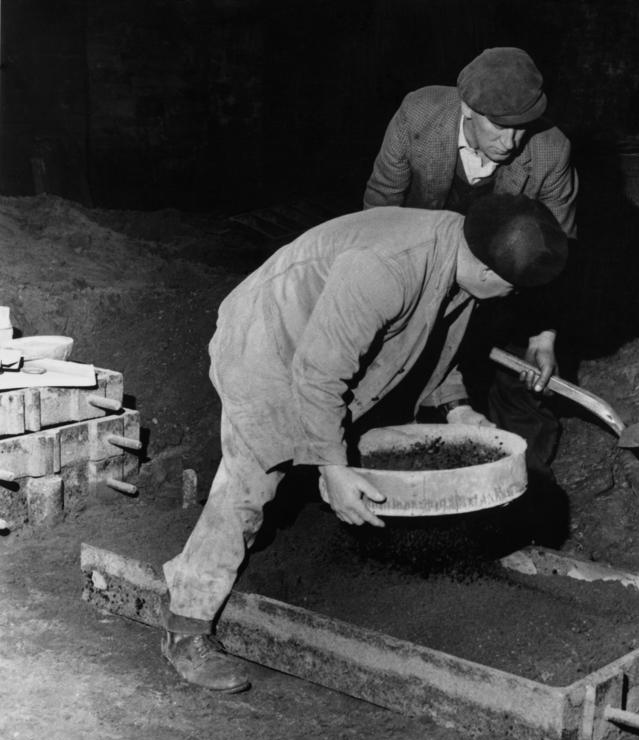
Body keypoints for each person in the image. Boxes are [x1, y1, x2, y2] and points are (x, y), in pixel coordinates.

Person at [160, 195, 567, 692]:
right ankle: (186, 626)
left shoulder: (460, 254)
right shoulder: (388, 268)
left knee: (364, 442)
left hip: (324, 350)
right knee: (252, 479)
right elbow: (318, 375)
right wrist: (331, 467)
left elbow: (427, 343)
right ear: (485, 269)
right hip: (267, 343)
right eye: (510, 287)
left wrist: (457, 407)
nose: (509, 297)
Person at [364, 47, 578, 493]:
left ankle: (517, 498)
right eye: (499, 126)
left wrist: (543, 337)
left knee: (526, 391)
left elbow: (554, 256)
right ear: (468, 109)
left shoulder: (551, 151)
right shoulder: (419, 116)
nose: (512, 142)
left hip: (506, 286)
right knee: (395, 386)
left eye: (523, 128)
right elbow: (379, 215)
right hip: (419, 270)